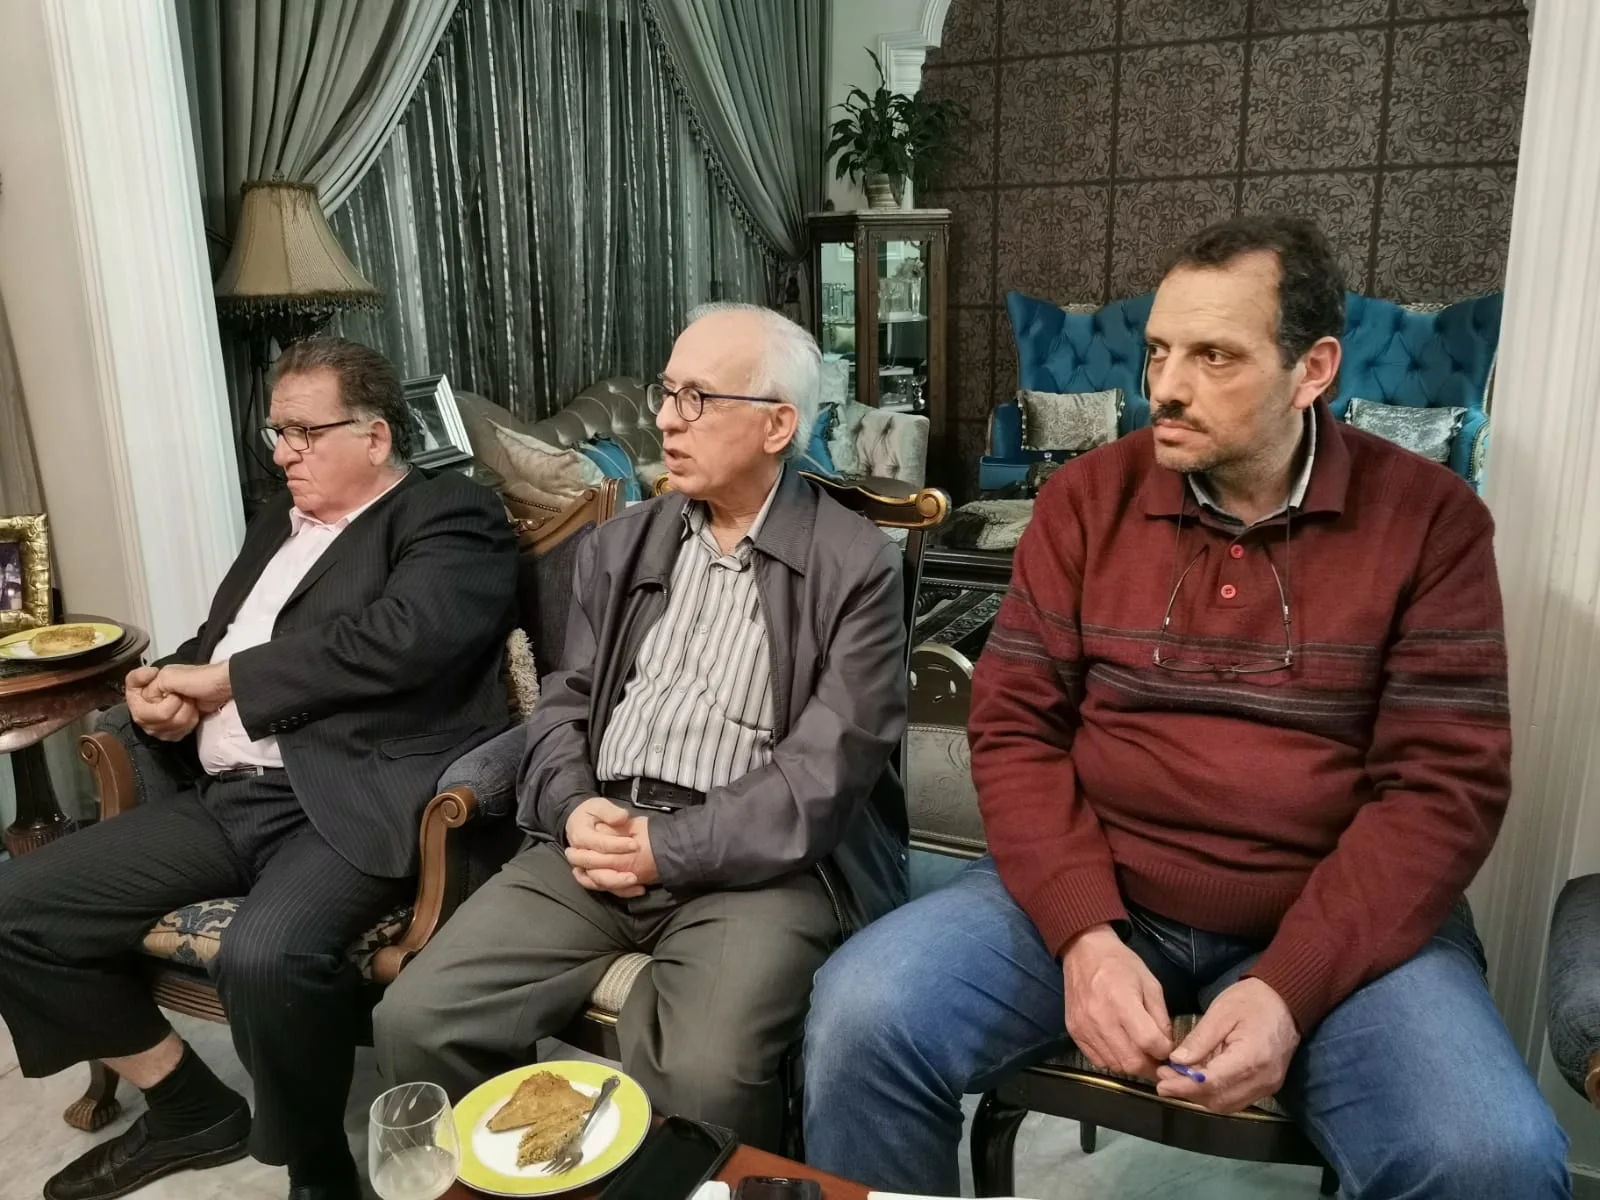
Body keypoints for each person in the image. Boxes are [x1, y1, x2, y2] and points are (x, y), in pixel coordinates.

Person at [802, 216, 1571, 1197]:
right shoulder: (1085, 501)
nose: (1164, 386)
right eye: (1159, 350)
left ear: (1312, 369)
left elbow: (1441, 793)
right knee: (862, 1017)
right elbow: (1013, 730)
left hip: (1329, 914)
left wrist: (1290, 985)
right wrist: (1083, 933)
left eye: (1214, 357)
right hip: (1107, 889)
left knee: (1489, 1158)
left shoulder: (1430, 521)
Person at [372, 302, 909, 1150]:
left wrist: (670, 848)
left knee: (705, 1078)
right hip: (600, 835)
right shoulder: (622, 543)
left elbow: (826, 773)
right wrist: (571, 805)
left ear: (777, 425)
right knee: (417, 1019)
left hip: (764, 868)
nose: (666, 419)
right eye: (667, 391)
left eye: (697, 398)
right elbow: (567, 699)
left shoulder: (856, 564)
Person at [0, 338, 517, 1200]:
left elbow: (403, 639)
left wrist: (225, 682)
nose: (283, 453)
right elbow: (224, 640)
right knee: (14, 908)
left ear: (376, 436)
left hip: (345, 799)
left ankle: (318, 1172)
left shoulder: (450, 515)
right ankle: (188, 1109)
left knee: (266, 953)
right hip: (224, 796)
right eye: (278, 433)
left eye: (304, 433)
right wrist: (167, 687)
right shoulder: (279, 519)